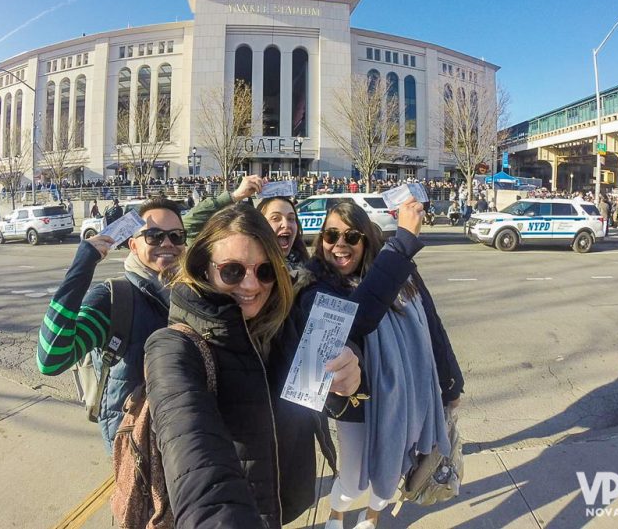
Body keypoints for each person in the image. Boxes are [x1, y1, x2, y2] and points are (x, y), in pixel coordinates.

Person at [144, 205, 363, 528]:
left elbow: (322, 393)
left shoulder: (285, 318)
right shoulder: (173, 347)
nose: (250, 286)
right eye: (232, 271)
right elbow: (195, 464)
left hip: (283, 500)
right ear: (204, 268)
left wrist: (350, 371)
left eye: (265, 271)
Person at [303, 200, 464, 529]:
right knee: (352, 479)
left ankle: (374, 514)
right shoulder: (314, 283)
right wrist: (403, 242)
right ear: (321, 241)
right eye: (332, 235)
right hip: (355, 404)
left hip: (407, 399)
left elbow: (432, 328)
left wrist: (452, 385)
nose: (341, 245)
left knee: (392, 473)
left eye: (352, 236)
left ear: (366, 240)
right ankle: (337, 510)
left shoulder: (400, 274)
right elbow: (357, 317)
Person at [37, 197, 187, 451]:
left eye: (176, 235)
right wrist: (81, 267)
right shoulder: (113, 299)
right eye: (154, 236)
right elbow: (51, 359)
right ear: (133, 245)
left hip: (186, 433)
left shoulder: (190, 292)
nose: (167, 243)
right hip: (138, 446)